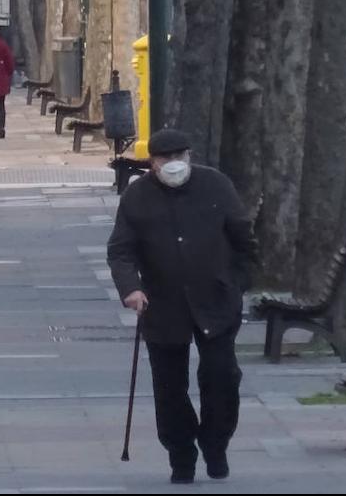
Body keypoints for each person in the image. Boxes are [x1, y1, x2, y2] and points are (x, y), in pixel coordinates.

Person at [106, 128, 258, 485]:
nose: (174, 164)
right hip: (162, 303)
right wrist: (131, 288)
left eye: (180, 156)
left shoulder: (216, 186)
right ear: (152, 163)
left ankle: (216, 443)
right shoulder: (137, 197)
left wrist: (236, 283)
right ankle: (181, 455)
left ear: (189, 156)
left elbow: (243, 241)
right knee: (169, 385)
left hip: (216, 300)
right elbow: (121, 250)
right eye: (165, 159)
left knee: (221, 376)